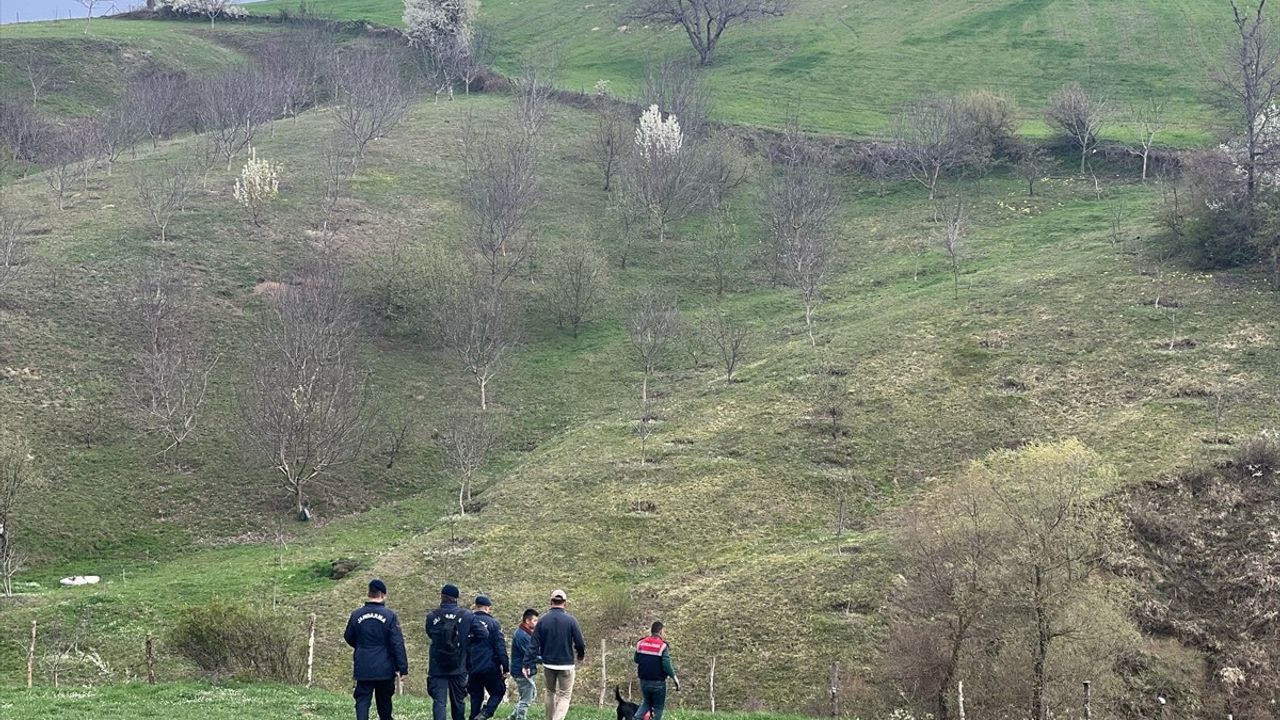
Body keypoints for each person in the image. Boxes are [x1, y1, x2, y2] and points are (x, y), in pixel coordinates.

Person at [344, 578, 409, 720]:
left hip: (363, 666)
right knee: (384, 704)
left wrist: (362, 646)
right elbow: (397, 643)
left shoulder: (356, 615)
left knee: (362, 701)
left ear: (368, 593)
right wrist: (402, 668)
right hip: (385, 668)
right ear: (383, 595)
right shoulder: (390, 616)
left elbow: (348, 636)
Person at [428, 584, 490, 720]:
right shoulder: (467, 616)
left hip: (437, 666)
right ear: (456, 598)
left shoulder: (432, 616)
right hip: (459, 665)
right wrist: (467, 641)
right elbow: (484, 634)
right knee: (458, 702)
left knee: (439, 702)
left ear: (442, 597)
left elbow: (430, 633)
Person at [523, 589, 585, 720]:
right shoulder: (571, 620)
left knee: (550, 692)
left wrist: (526, 664)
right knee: (564, 695)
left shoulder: (543, 621)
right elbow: (580, 642)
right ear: (565, 603)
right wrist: (580, 655)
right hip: (566, 664)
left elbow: (533, 645)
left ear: (551, 602)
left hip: (548, 664)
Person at [468, 595, 510, 720]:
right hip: (489, 666)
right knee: (498, 691)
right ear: (487, 608)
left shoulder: (467, 622)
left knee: (476, 697)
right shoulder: (493, 624)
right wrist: (506, 667)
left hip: (471, 666)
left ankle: (475, 717)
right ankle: (486, 713)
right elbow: (500, 647)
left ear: (476, 606)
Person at [632, 621, 680, 720]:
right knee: (658, 707)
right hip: (658, 682)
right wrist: (675, 678)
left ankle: (636, 718)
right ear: (661, 631)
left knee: (647, 702)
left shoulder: (641, 643)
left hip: (644, 680)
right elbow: (666, 665)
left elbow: (636, 659)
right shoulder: (662, 646)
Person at [508, 609, 539, 720]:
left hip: (525, 669)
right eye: (535, 621)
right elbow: (529, 654)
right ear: (527, 621)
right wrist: (546, 659)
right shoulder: (521, 635)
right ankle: (520, 718)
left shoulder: (527, 633)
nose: (537, 623)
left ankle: (512, 717)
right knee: (526, 699)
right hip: (522, 671)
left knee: (527, 697)